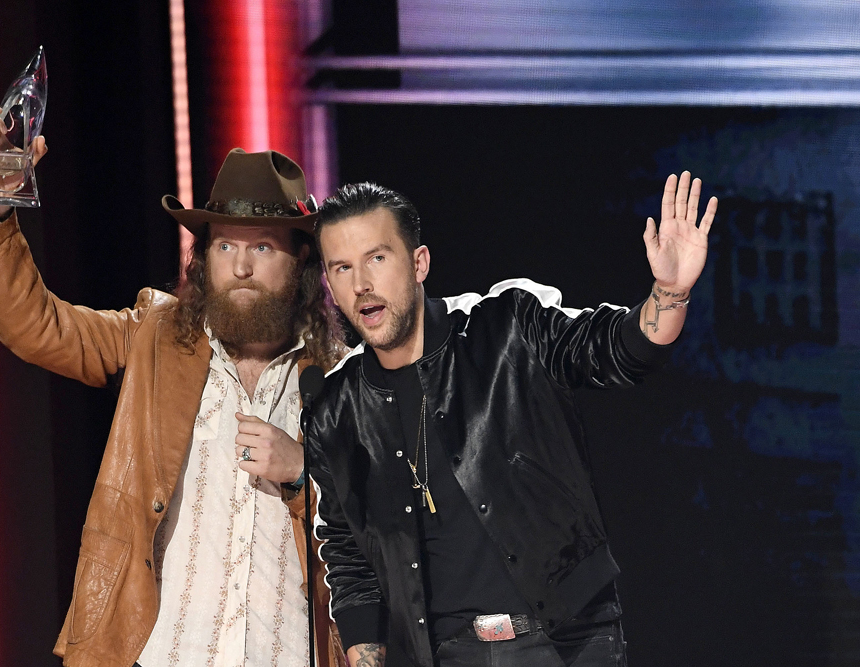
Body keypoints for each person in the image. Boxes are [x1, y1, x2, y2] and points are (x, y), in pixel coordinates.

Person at [0, 106, 347, 667]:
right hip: (165, 652)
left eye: (261, 247)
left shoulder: (340, 378)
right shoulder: (156, 336)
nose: (239, 266)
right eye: (224, 246)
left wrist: (302, 471)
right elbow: (36, 327)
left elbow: (383, 528)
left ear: (301, 262)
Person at [305, 173, 717, 666]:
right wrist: (363, 653)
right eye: (342, 267)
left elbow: (611, 350)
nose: (362, 284)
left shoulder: (505, 328)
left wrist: (668, 292)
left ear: (419, 262)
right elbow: (347, 550)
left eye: (377, 258)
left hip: (565, 643)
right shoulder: (336, 409)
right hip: (444, 654)